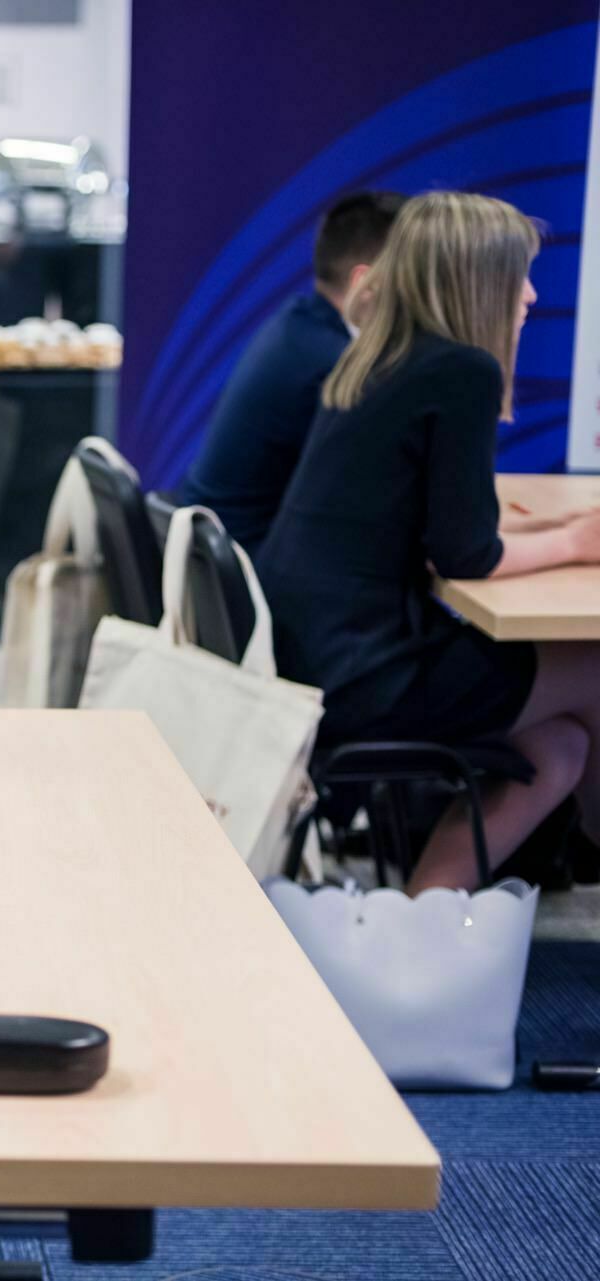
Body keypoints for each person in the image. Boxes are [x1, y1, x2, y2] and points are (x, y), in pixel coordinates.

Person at [258, 190, 600, 892]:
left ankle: (417, 921)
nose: (532, 296)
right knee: (594, 672)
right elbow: (465, 555)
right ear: (480, 282)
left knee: (560, 746)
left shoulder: (382, 361)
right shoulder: (461, 371)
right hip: (372, 674)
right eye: (520, 277)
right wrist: (578, 539)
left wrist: (545, 531)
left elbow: (428, 522)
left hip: (321, 658)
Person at [180, 191, 405, 555]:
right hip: (252, 574)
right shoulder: (332, 367)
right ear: (367, 283)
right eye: (414, 273)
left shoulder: (298, 324)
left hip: (217, 562)